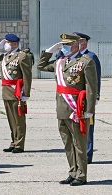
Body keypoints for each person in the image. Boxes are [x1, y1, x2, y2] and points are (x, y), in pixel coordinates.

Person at [37, 33, 97, 186]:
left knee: (79, 144)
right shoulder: (60, 62)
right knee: (68, 144)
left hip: (76, 109)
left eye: (67, 45)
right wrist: (50, 51)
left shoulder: (86, 62)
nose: (63, 47)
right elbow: (40, 66)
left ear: (75, 45)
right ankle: (72, 172)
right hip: (61, 109)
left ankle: (81, 175)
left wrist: (89, 111)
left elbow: (91, 88)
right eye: (62, 45)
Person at [0, 34, 32, 153]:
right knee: (11, 120)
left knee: (19, 120)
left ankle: (19, 144)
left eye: (8, 42)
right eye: (5, 42)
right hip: (6, 92)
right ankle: (13, 142)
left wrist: (26, 93)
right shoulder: (5, 57)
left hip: (17, 92)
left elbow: (27, 76)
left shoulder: (22, 56)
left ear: (15, 44)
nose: (6, 44)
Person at [73, 32, 101, 164]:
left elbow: (96, 80)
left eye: (77, 41)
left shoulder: (91, 57)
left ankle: (88, 154)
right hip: (73, 98)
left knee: (88, 127)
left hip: (86, 98)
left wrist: (95, 96)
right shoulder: (72, 57)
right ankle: (78, 153)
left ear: (84, 42)